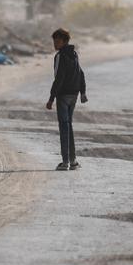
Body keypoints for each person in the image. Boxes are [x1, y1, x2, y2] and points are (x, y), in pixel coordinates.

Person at [45, 28, 87, 170]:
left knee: (64, 127)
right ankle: (73, 161)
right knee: (68, 126)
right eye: (54, 41)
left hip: (63, 96)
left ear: (64, 41)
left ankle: (65, 162)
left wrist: (51, 98)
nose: (55, 44)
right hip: (74, 95)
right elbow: (81, 73)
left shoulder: (60, 56)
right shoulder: (74, 54)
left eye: (57, 41)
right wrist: (82, 91)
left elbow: (59, 78)